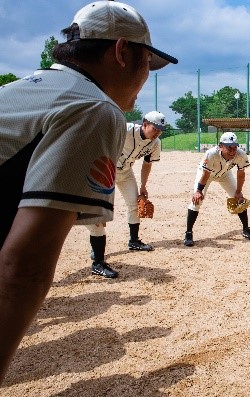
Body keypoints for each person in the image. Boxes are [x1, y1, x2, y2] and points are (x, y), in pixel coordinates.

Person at [0, 0, 177, 384]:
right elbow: (23, 268)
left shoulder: (20, 90)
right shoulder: (93, 107)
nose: (147, 75)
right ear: (121, 51)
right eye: (147, 62)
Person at [86, 111, 167, 279]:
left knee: (134, 203)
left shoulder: (155, 143)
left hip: (125, 172)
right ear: (144, 124)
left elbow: (147, 165)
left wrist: (144, 186)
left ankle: (134, 241)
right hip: (105, 171)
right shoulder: (125, 130)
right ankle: (96, 254)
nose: (158, 132)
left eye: (160, 130)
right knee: (99, 212)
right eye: (155, 128)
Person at [184, 132, 250, 246]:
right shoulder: (211, 154)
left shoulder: (240, 154)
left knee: (239, 199)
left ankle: (246, 229)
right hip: (206, 175)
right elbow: (206, 174)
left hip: (225, 174)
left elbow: (241, 174)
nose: (233, 150)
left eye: (235, 146)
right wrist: (198, 191)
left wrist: (238, 191)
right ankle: (188, 233)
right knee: (197, 200)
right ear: (220, 146)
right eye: (229, 147)